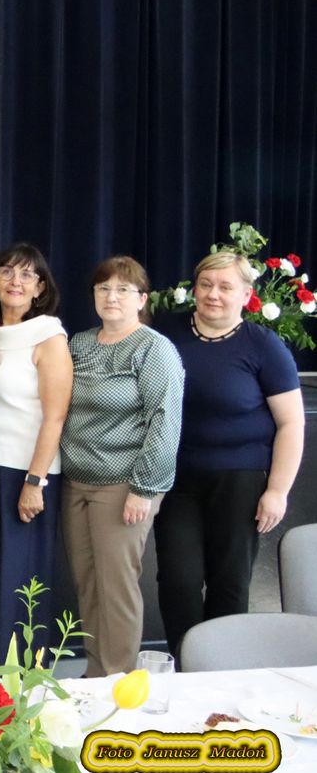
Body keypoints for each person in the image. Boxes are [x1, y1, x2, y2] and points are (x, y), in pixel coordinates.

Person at [155, 250, 303, 657]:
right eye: (205, 285)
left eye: (225, 287)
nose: (213, 294)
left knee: (230, 582)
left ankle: (221, 671)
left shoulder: (264, 347)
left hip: (242, 481)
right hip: (176, 481)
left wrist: (278, 491)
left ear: (246, 295)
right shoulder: (166, 336)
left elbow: (292, 424)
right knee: (178, 581)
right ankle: (186, 669)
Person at [59, 256, 182, 676]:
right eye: (103, 289)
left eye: (123, 290)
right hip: (76, 482)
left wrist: (144, 489)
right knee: (87, 584)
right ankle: (96, 676)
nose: (112, 297)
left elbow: (164, 421)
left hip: (124, 486)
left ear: (142, 299)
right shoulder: (79, 343)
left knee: (117, 589)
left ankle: (121, 683)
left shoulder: (154, 349)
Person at [0, 243, 71, 665]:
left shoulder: (48, 337)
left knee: (17, 578)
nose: (16, 281)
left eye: (27, 274)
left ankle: (17, 677)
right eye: (7, 272)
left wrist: (35, 482)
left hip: (25, 473)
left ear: (40, 287)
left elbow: (55, 416)